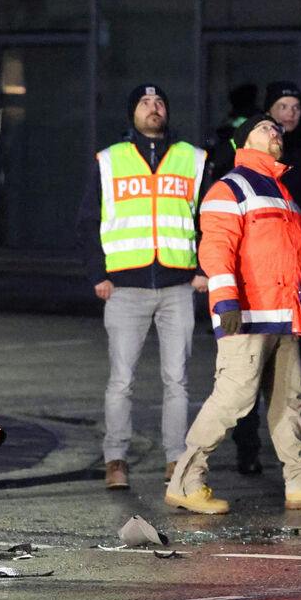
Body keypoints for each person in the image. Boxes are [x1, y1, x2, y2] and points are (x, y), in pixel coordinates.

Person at [166, 114, 301, 515]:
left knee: (290, 402)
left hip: (285, 315)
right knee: (233, 398)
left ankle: (300, 480)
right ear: (243, 140)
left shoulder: (282, 191)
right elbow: (216, 249)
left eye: (278, 130)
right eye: (266, 128)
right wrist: (226, 300)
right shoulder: (230, 187)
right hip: (247, 313)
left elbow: (291, 260)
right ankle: (185, 479)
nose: (276, 133)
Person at [83, 84, 210, 490]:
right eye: (144, 102)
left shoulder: (192, 158)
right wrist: (98, 275)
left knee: (178, 380)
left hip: (177, 284)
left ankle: (176, 460)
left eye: (159, 103)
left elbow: (208, 219)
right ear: (132, 113)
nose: (153, 108)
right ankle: (116, 460)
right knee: (122, 380)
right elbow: (88, 219)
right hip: (125, 285)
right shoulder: (109, 160)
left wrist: (204, 268)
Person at [231, 79, 301, 475]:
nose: (289, 114)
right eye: (282, 107)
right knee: (247, 375)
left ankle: (294, 458)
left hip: (299, 275)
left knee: (296, 374)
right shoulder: (247, 156)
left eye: (295, 106)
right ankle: (247, 447)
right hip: (258, 282)